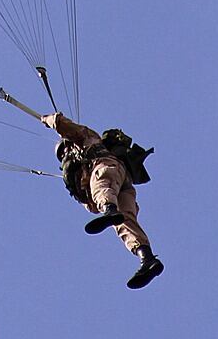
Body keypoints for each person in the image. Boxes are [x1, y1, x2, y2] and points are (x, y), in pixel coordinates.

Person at [42, 112, 164, 289]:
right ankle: (147, 258)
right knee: (125, 222)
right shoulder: (77, 172)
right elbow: (91, 206)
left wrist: (49, 120)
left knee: (101, 185)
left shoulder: (86, 139)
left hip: (106, 167)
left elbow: (67, 126)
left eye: (63, 151)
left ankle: (110, 210)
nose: (65, 155)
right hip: (124, 184)